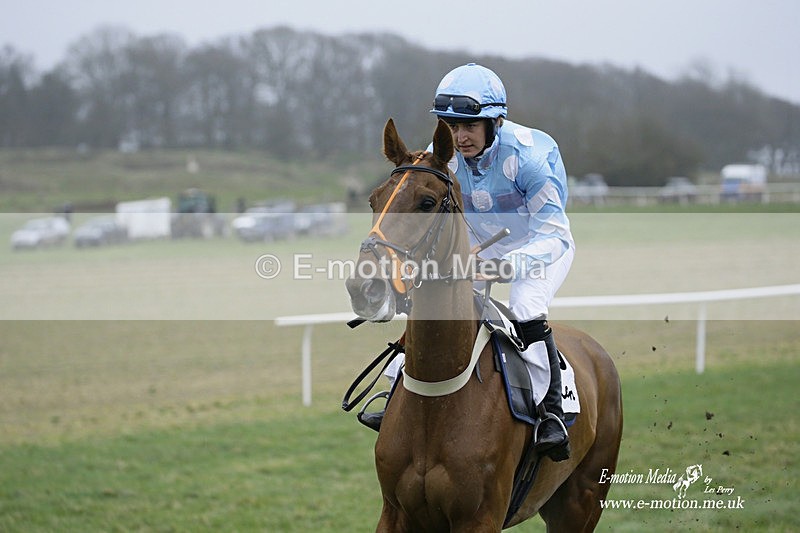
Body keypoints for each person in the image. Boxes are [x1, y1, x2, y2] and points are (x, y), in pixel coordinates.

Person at [363, 63, 575, 462]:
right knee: (435, 307)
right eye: (452, 126)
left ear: (495, 122)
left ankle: (551, 413)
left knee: (527, 309)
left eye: (470, 126)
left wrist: (502, 266)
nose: (460, 137)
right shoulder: (444, 152)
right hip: (478, 248)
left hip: (542, 246)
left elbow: (554, 233)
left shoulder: (531, 156)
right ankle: (395, 390)